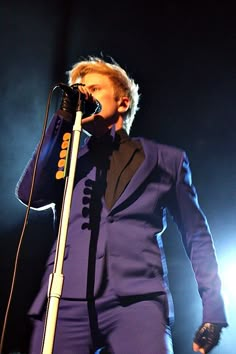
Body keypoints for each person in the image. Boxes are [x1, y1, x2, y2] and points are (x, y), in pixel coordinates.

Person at [16, 56, 228, 354]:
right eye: (78, 91)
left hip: (137, 300)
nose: (84, 96)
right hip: (65, 299)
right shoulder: (70, 158)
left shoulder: (165, 159)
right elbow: (30, 194)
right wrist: (62, 120)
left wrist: (213, 309)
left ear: (123, 102)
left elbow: (197, 235)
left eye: (93, 89)